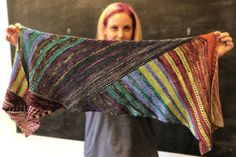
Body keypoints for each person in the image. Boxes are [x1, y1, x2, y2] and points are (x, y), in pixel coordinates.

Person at [6, 2, 234, 157]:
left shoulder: (151, 65)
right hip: (99, 148)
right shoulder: (83, 63)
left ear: (134, 30)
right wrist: (25, 45)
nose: (120, 34)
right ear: (103, 29)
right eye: (114, 27)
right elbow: (51, 67)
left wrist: (211, 55)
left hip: (140, 149)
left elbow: (184, 77)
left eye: (127, 28)